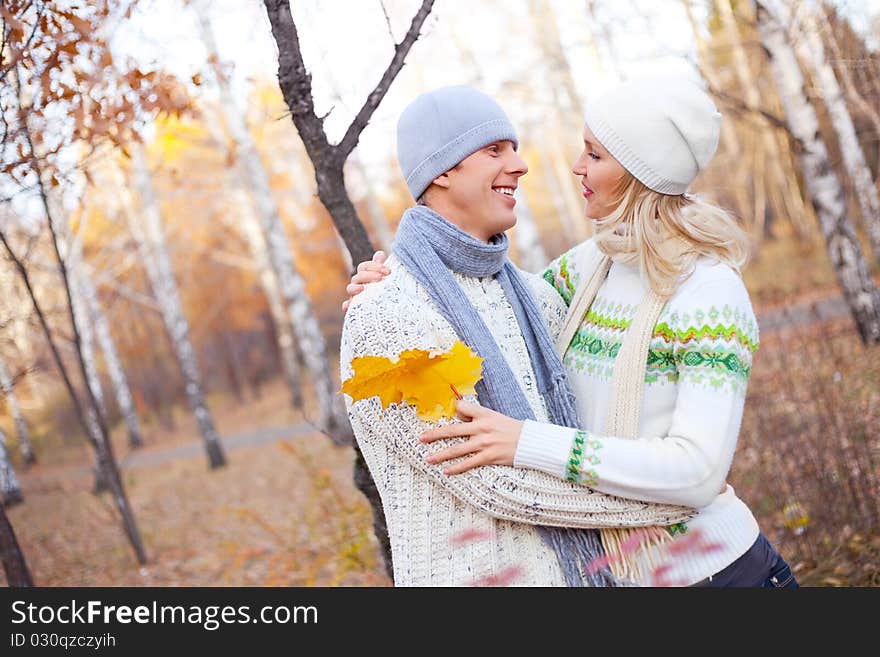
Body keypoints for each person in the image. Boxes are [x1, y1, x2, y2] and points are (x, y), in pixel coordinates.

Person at [345, 76, 798, 587]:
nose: (569, 166)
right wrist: (384, 285)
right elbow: (485, 311)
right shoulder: (582, 275)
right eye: (496, 150)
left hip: (720, 572)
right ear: (442, 171)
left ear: (638, 171)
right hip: (624, 576)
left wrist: (528, 441)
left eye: (595, 154)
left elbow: (696, 473)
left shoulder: (709, 292)